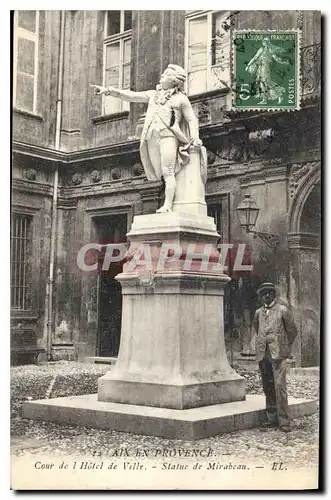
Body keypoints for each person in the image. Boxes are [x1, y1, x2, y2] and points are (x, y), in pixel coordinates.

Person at [92, 64, 205, 213]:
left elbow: (191, 119)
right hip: (151, 137)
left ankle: (168, 206)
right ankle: (169, 201)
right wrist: (109, 91)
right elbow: (131, 96)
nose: (162, 75)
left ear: (175, 81)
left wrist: (195, 137)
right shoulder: (153, 95)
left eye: (166, 74)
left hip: (168, 136)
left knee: (168, 171)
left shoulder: (181, 99)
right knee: (160, 173)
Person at [253, 282, 297, 432]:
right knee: (267, 385)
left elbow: (292, 331)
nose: (266, 296)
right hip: (263, 354)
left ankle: (284, 421)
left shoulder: (283, 310)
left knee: (279, 387)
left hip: (278, 354)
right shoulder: (258, 313)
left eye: (269, 293)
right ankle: (271, 418)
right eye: (263, 293)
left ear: (274, 294)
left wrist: (284, 348)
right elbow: (257, 329)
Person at [245, 37, 290, 105]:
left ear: (267, 43)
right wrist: (248, 65)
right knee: (262, 83)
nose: (265, 43)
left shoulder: (268, 50)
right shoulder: (263, 49)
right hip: (261, 68)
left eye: (266, 42)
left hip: (265, 68)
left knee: (265, 82)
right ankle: (266, 98)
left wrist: (283, 62)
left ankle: (278, 95)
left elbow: (276, 58)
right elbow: (255, 58)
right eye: (264, 42)